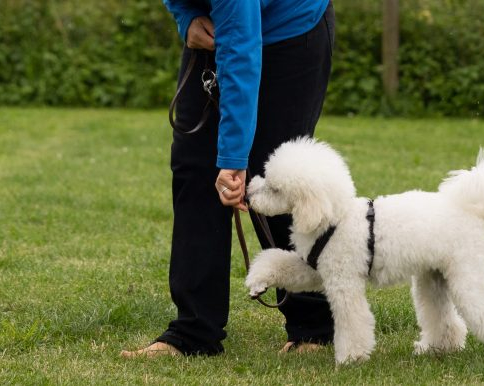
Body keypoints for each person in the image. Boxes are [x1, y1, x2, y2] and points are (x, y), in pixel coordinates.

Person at [121, 0, 337, 358]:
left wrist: (234, 160)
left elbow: (240, 49)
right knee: (194, 166)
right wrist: (186, 19)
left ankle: (316, 326)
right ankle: (193, 333)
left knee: (275, 173)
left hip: (292, 27)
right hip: (225, 26)